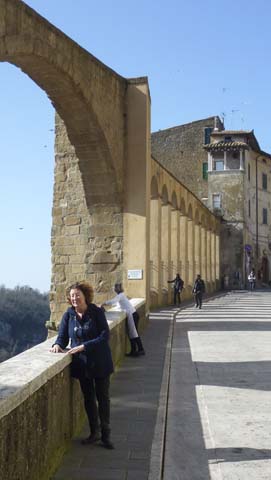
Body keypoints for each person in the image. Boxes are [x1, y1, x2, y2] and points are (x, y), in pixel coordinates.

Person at [50, 281, 114, 449]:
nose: (75, 298)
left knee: (103, 398)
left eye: (77, 295)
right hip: (82, 364)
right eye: (72, 296)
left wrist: (85, 346)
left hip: (100, 361)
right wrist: (57, 344)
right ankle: (94, 433)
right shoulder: (68, 315)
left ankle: (106, 435)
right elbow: (63, 336)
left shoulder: (96, 312)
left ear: (85, 295)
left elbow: (105, 335)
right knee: (88, 398)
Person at [102, 283, 145, 357]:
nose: (114, 290)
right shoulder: (122, 295)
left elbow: (113, 301)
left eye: (115, 289)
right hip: (133, 314)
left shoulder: (120, 296)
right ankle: (136, 350)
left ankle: (139, 350)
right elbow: (119, 305)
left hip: (132, 315)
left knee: (133, 333)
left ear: (117, 289)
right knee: (133, 333)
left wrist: (104, 303)